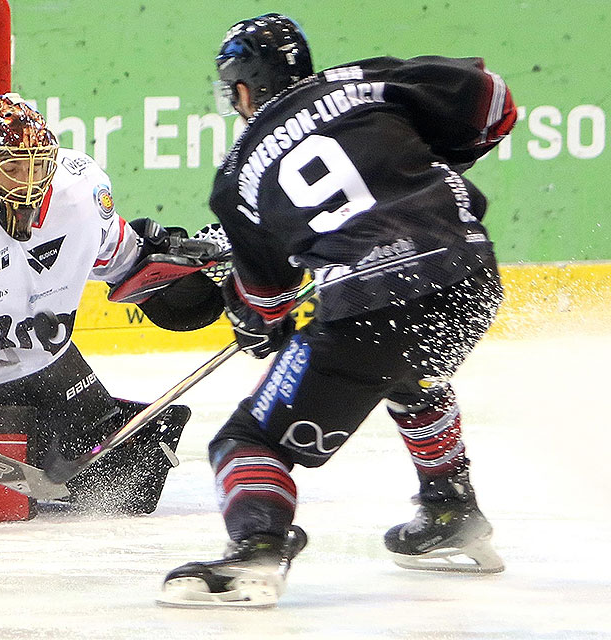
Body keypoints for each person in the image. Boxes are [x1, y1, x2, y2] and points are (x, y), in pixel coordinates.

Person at [158, 14, 516, 607]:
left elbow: (264, 302)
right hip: (470, 275)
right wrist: (442, 157)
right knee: (413, 375)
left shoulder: (239, 172)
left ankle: (256, 552)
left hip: (371, 306)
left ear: (243, 88)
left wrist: (257, 328)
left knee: (245, 443)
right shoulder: (363, 82)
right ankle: (450, 509)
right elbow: (494, 102)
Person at [0, 93, 224, 514]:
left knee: (126, 485)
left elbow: (121, 258)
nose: (29, 182)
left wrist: (185, 276)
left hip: (40, 364)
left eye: (38, 166)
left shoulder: (80, 192)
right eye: (13, 167)